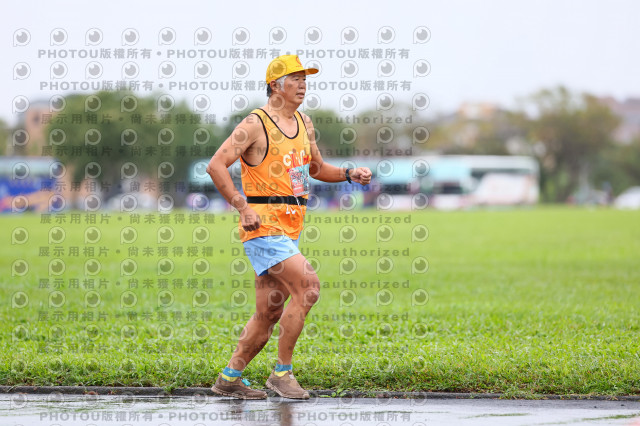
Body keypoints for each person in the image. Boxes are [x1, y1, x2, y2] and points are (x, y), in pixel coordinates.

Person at [206, 54, 372, 400]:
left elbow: (316, 168)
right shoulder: (254, 123)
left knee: (268, 313)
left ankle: (229, 379)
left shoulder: (304, 122)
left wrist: (348, 173)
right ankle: (282, 373)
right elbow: (216, 165)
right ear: (275, 85)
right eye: (295, 79)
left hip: (289, 228)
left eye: (305, 79)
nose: (302, 85)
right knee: (309, 287)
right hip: (263, 227)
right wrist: (241, 207)